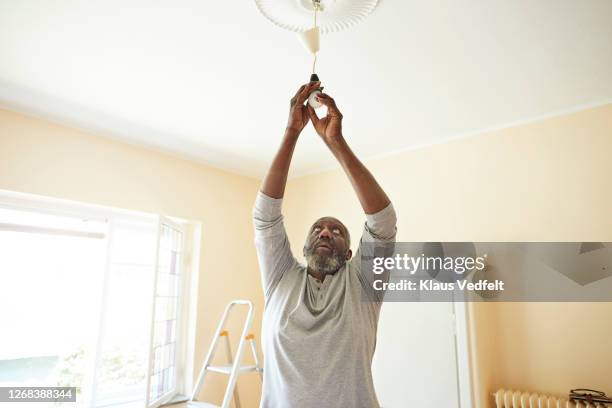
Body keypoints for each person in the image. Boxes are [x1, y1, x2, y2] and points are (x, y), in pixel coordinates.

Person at [252, 81, 397, 408]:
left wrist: (336, 142)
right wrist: (291, 131)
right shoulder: (280, 279)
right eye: (318, 229)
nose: (325, 232)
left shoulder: (363, 284)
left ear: (349, 253)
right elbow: (265, 216)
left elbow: (383, 223)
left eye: (336, 231)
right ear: (303, 247)